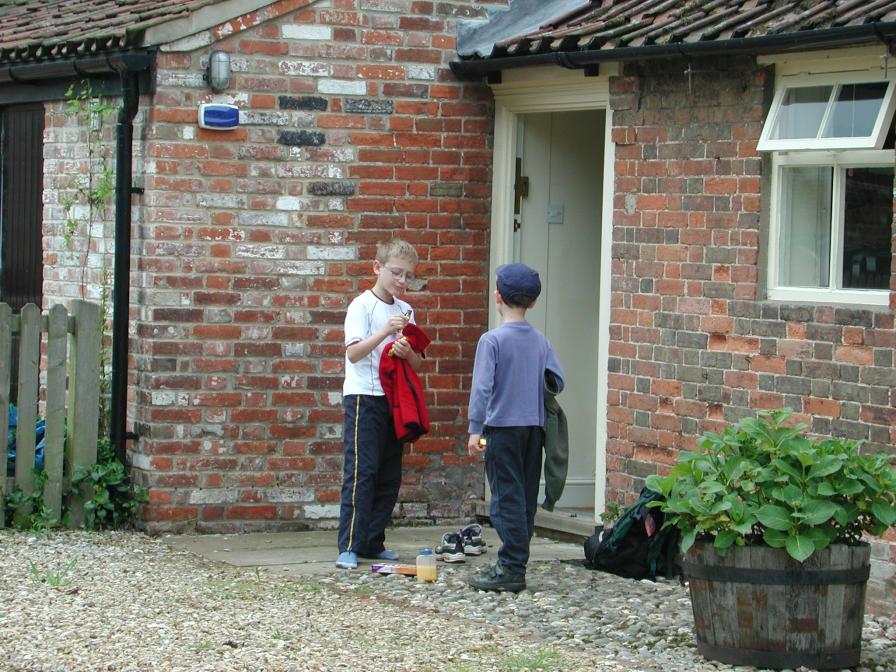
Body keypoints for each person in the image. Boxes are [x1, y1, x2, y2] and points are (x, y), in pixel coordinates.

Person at [466, 263, 564, 592]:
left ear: (498, 296)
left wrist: (475, 429)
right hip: (533, 428)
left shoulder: (491, 340)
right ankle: (517, 561)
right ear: (533, 303)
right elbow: (556, 381)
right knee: (523, 496)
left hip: (501, 428)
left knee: (505, 496)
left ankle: (510, 567)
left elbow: (481, 388)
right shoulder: (541, 341)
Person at [336, 238, 422, 569]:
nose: (401, 282)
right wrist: (385, 332)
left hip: (394, 399)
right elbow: (354, 353)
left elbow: (417, 363)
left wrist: (406, 351)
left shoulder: (406, 310)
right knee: (361, 471)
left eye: (408, 276)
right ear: (377, 268)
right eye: (396, 273)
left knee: (389, 473)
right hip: (363, 396)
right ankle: (349, 545)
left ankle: (374, 541)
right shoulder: (361, 306)